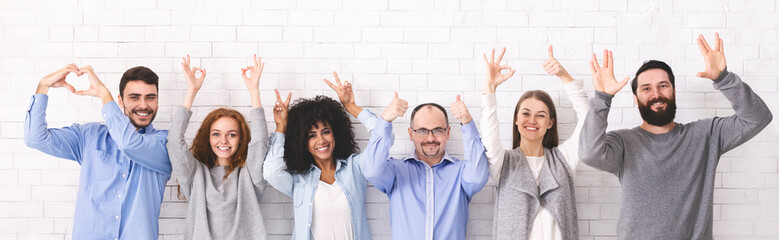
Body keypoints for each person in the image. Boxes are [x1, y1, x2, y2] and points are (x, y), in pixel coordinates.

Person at [579, 33, 773, 239]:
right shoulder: (623, 143)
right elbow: (589, 153)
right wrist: (603, 98)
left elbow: (757, 118)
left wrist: (723, 78)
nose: (656, 94)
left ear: (673, 92)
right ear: (636, 99)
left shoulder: (706, 135)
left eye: (663, 86)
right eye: (646, 88)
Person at [24, 64, 171, 239]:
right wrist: (43, 86)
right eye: (134, 97)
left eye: (150, 98)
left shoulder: (166, 144)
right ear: (120, 101)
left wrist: (103, 94)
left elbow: (128, 143)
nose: (143, 105)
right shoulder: (89, 136)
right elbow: (36, 138)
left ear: (157, 101)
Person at [480, 46, 588, 240]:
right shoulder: (503, 163)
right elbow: (489, 136)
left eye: (540, 115)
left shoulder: (564, 159)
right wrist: (490, 89)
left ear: (550, 123)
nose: (532, 120)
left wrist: (565, 77)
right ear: (516, 119)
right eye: (526, 114)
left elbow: (589, 122)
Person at [263, 72, 379, 240]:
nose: (321, 140)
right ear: (302, 141)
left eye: (326, 132)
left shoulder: (356, 168)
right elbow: (270, 172)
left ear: (336, 133)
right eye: (312, 135)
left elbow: (384, 140)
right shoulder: (299, 182)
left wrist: (352, 107)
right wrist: (281, 126)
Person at [166, 55, 270, 239]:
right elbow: (174, 141)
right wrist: (192, 90)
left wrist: (254, 91)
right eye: (216, 134)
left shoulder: (249, 175)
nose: (223, 141)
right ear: (208, 138)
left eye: (232, 134)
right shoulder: (196, 175)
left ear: (240, 139)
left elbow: (260, 142)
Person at [363, 92, 490, 240]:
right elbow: (372, 170)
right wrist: (384, 120)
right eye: (422, 131)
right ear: (411, 134)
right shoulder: (396, 171)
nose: (430, 138)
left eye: (438, 130)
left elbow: (478, 177)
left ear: (448, 132)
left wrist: (467, 124)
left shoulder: (461, 172)